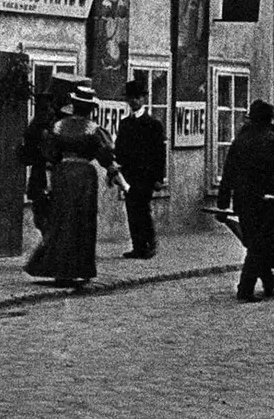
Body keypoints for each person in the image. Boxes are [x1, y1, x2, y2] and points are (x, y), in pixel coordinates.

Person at [24, 80, 122, 287]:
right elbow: (105, 155)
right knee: (84, 221)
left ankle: (59, 270)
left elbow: (49, 153)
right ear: (90, 109)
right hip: (85, 175)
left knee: (61, 219)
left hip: (62, 173)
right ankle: (82, 269)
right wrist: (113, 171)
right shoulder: (94, 129)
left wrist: (55, 169)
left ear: (74, 105)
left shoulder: (58, 127)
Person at [215, 99, 274, 302]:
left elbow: (228, 174)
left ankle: (267, 279)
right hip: (267, 202)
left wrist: (223, 204)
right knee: (259, 243)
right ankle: (245, 289)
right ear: (270, 120)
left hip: (242, 201)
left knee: (254, 242)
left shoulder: (239, 142)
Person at [114, 76, 167, 259]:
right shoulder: (125, 124)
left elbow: (160, 154)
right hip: (129, 175)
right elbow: (119, 149)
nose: (134, 101)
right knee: (131, 210)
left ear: (144, 99)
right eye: (131, 98)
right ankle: (137, 246)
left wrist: (159, 178)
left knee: (143, 209)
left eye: (137, 97)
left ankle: (149, 244)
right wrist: (117, 169)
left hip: (146, 175)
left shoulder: (153, 124)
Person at [19, 92, 55, 234]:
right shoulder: (37, 127)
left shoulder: (48, 126)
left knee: (44, 215)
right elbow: (28, 155)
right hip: (42, 174)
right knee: (42, 216)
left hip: (48, 174)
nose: (48, 111)